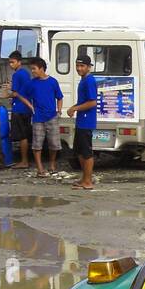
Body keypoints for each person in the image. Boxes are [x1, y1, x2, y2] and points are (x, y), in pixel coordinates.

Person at [26, 56, 63, 177]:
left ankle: (52, 164)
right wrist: (30, 107)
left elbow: (59, 97)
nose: (32, 71)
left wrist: (59, 110)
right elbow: (22, 95)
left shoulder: (53, 82)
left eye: (34, 69)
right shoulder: (32, 83)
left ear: (41, 68)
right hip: (37, 118)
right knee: (37, 144)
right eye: (31, 69)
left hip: (52, 116)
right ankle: (40, 168)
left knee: (54, 143)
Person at [66, 54, 98, 190]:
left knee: (86, 152)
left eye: (82, 66)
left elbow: (92, 102)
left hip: (86, 122)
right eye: (77, 66)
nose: (79, 68)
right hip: (80, 121)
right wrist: (75, 107)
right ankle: (84, 178)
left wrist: (75, 108)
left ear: (89, 67)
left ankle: (88, 181)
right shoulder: (83, 80)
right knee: (79, 152)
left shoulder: (89, 81)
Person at [5, 50, 33, 168]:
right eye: (10, 62)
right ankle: (25, 160)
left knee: (22, 136)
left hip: (19, 108)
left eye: (13, 62)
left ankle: (24, 161)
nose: (11, 65)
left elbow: (15, 93)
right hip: (26, 108)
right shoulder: (26, 73)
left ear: (19, 62)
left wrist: (7, 93)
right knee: (25, 134)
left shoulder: (17, 74)